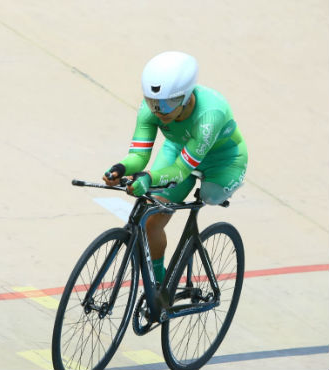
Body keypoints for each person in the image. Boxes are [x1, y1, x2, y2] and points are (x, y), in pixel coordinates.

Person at [103, 51, 248, 284]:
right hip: (180, 148)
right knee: (151, 221)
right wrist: (120, 168)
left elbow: (181, 170)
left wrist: (149, 179)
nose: (159, 110)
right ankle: (159, 287)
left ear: (187, 96)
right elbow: (139, 156)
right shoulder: (153, 109)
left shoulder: (211, 114)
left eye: (167, 103)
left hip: (222, 160)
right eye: (153, 102)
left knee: (210, 195)